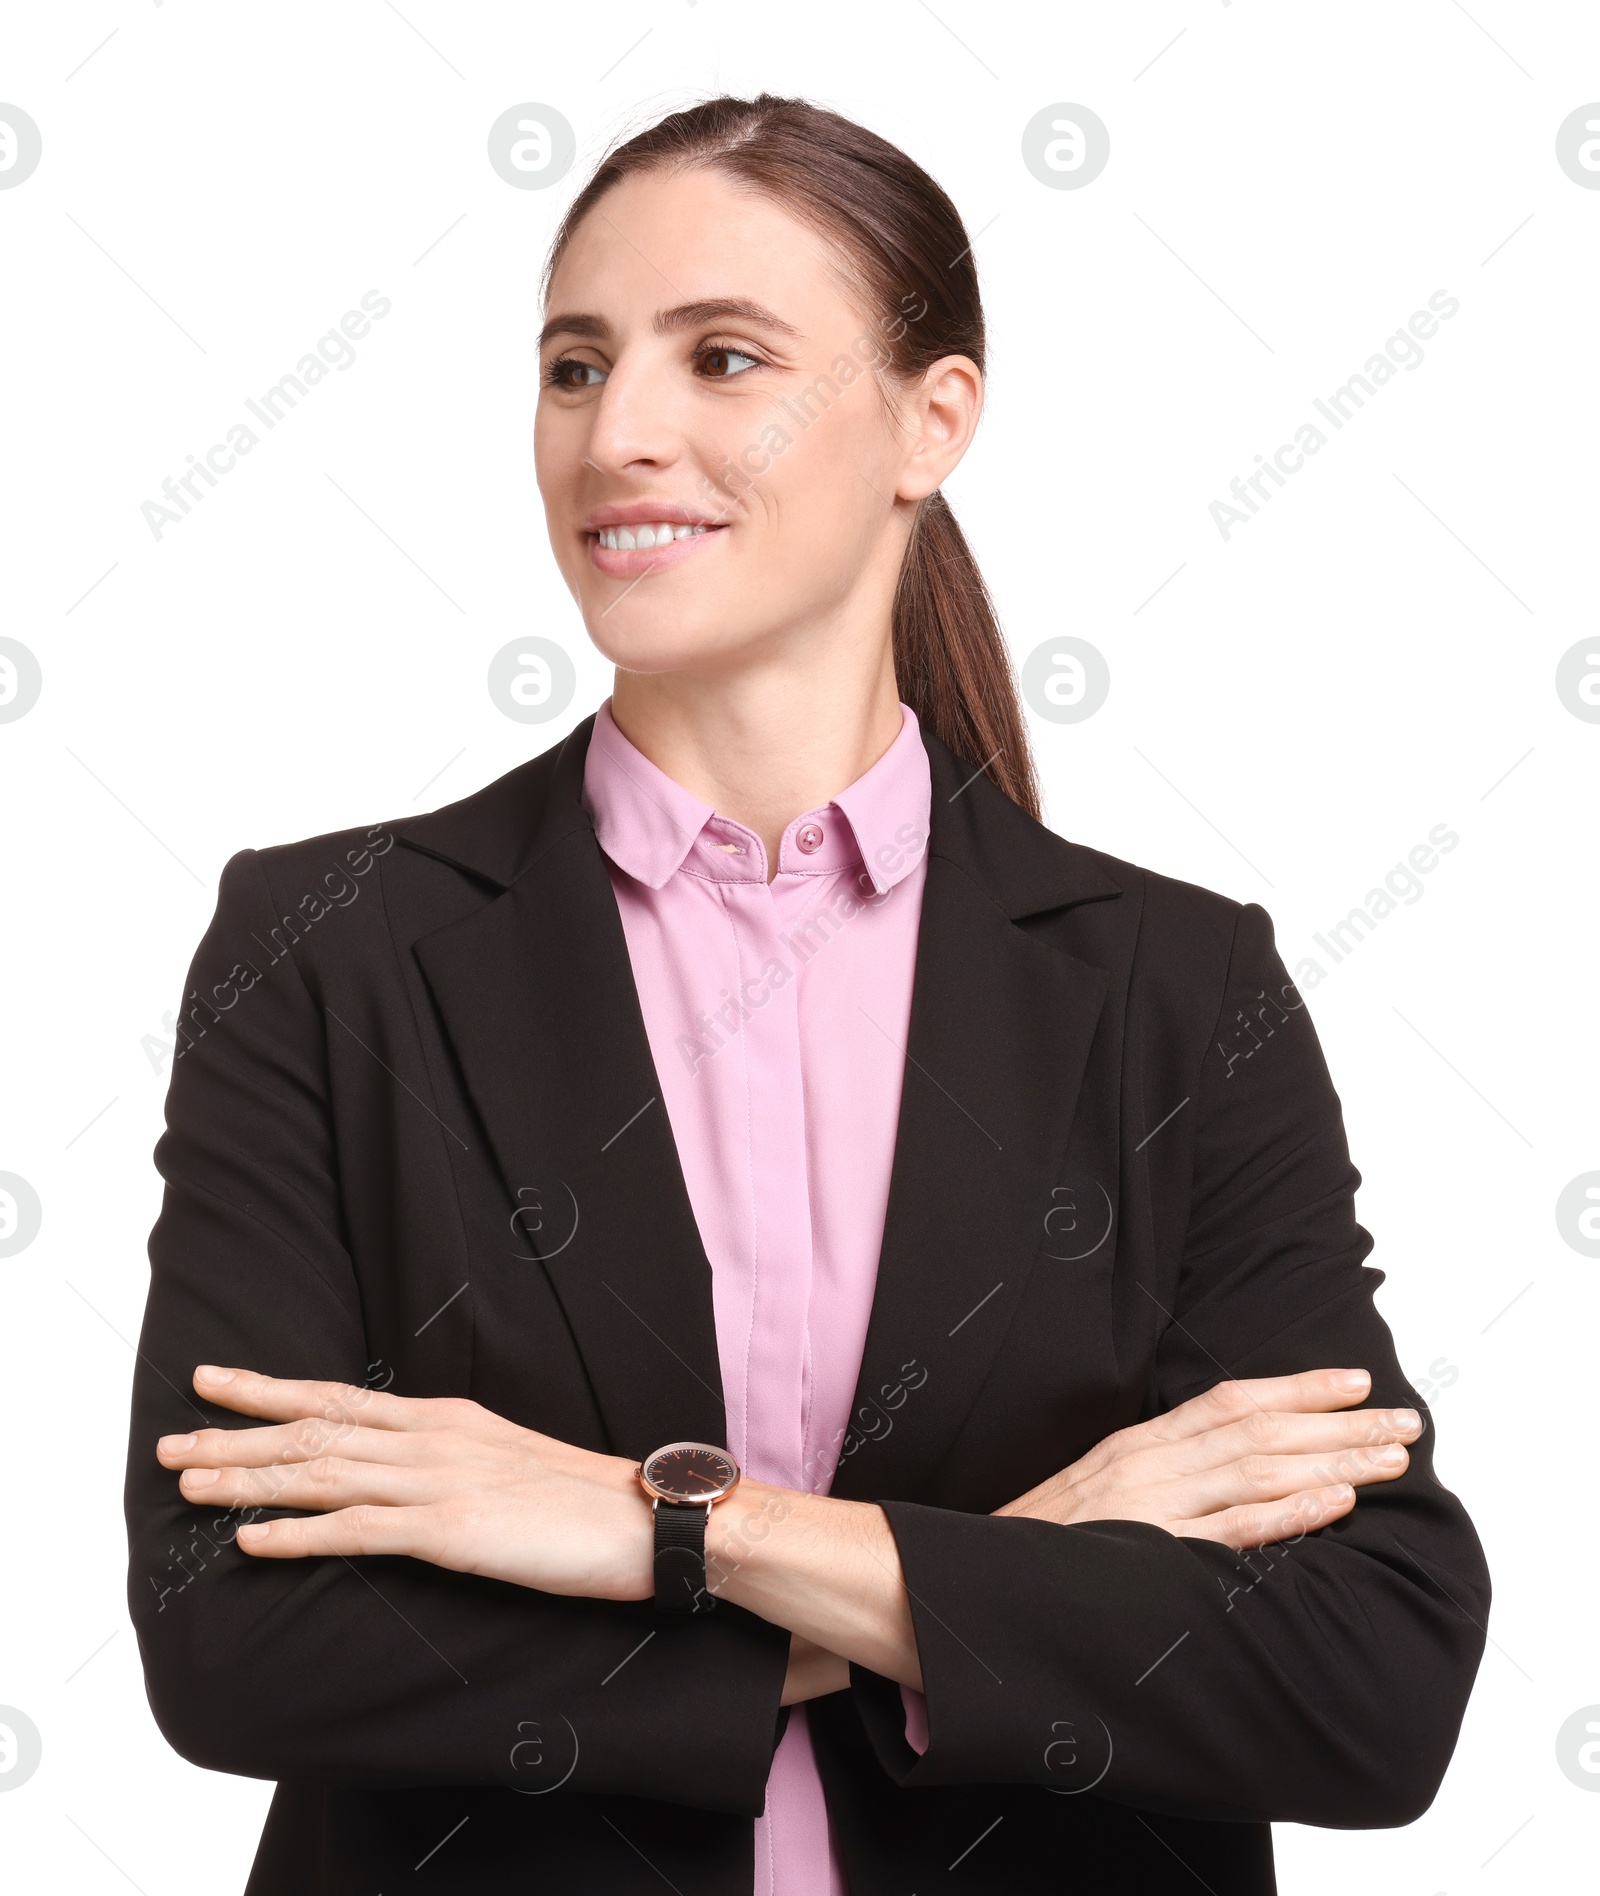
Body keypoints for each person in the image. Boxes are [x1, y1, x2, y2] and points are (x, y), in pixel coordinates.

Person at [125, 94, 1488, 1896]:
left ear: (935, 421)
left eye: (725, 358)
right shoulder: (331, 948)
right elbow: (232, 1635)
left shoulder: (1171, 983)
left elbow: (1368, 1673)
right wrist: (1007, 1571)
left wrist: (660, 1532)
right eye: (574, 365)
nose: (621, 433)